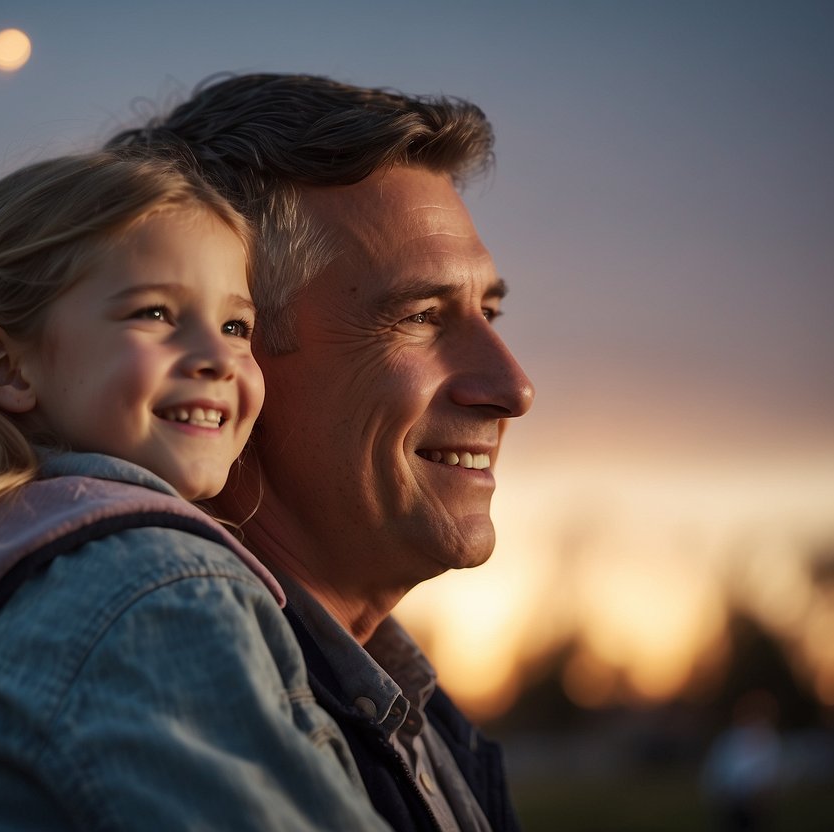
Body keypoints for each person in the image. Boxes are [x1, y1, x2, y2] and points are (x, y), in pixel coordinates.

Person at [0, 148, 388, 829]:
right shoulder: (153, 589)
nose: (217, 358)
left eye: (235, 326)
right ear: (7, 367)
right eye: (155, 313)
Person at [109, 73, 536, 831]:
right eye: (420, 316)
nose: (512, 387)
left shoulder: (418, 726)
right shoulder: (130, 723)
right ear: (222, 359)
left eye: (488, 310)